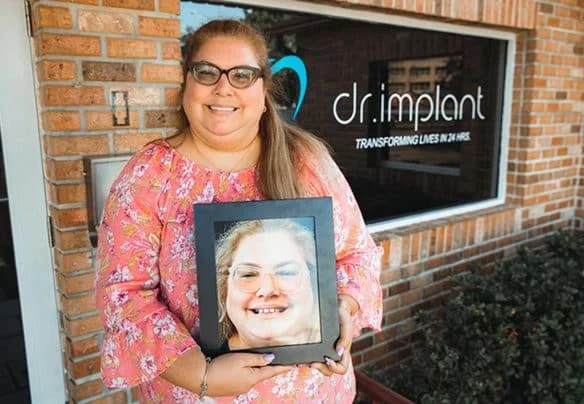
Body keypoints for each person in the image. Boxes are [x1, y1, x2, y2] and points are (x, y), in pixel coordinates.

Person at [95, 19, 382, 403]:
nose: (223, 87)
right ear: (186, 82)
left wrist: (343, 308)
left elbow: (357, 254)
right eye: (206, 72)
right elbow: (123, 295)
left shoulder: (307, 162)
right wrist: (201, 374)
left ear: (264, 90)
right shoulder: (150, 176)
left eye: (242, 75)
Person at [216, 219, 321, 350]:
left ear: (313, 281)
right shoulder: (203, 360)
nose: (267, 290)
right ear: (225, 287)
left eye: (286, 273)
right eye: (248, 275)